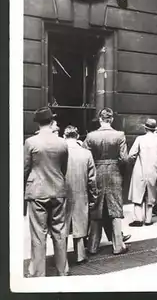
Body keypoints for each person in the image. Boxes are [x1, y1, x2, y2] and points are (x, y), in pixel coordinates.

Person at [24, 107, 69, 277]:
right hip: (58, 190)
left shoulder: (31, 142)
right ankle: (62, 270)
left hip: (37, 191)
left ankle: (38, 272)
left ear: (38, 123)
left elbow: (25, 168)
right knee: (59, 232)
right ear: (51, 122)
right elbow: (63, 168)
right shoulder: (62, 142)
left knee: (38, 233)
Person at [83, 108, 128, 255]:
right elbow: (124, 159)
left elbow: (85, 156)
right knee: (115, 210)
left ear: (100, 119)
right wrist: (119, 169)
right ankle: (118, 246)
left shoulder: (90, 137)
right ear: (112, 119)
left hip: (96, 171)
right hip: (114, 172)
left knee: (96, 208)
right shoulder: (119, 135)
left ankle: (92, 246)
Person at [63, 125, 98, 265]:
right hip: (81, 192)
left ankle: (62, 256)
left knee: (62, 226)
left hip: (62, 193)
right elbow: (92, 179)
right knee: (80, 224)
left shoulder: (59, 151)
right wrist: (93, 197)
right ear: (77, 136)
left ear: (64, 136)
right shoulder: (86, 153)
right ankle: (80, 255)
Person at [127, 119, 157, 227]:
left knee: (138, 195)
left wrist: (133, 162)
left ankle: (138, 219)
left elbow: (131, 155)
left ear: (145, 128)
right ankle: (148, 219)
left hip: (140, 170)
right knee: (150, 196)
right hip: (153, 171)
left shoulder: (140, 139)